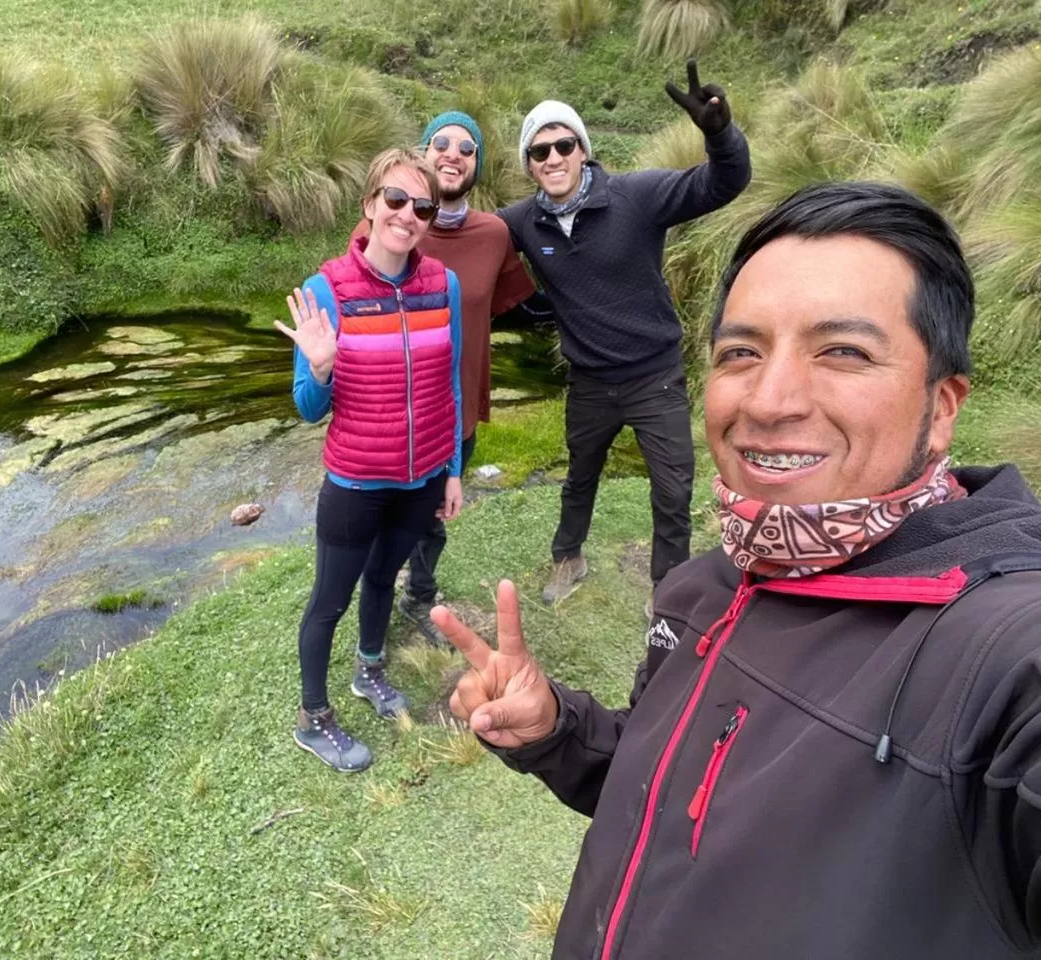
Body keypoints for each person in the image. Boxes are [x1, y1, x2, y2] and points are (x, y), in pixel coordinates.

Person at [434, 182, 1041, 957]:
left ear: (944, 403)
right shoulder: (702, 587)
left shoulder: (1025, 651)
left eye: (843, 352)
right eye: (741, 353)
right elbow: (661, 783)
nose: (770, 398)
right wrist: (556, 730)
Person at [499, 60, 751, 608]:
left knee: (672, 489)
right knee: (579, 477)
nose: (554, 158)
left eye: (564, 145)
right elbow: (468, 243)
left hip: (654, 377)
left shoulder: (637, 196)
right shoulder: (523, 222)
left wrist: (720, 134)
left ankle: (669, 591)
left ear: (582, 149)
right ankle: (569, 558)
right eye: (540, 152)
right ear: (529, 164)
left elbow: (722, 184)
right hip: (590, 384)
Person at [276, 147, 464, 774]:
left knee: (384, 580)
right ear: (369, 205)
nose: (407, 215)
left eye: (422, 206)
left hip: (421, 479)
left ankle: (370, 670)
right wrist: (322, 367)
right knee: (329, 600)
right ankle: (312, 718)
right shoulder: (324, 291)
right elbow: (307, 408)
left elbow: (452, 383)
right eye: (395, 199)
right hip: (355, 482)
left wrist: (453, 470)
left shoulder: (444, 285)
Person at [350, 112, 536, 646]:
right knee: (383, 516)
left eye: (467, 148)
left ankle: (420, 597)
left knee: (433, 515)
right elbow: (350, 298)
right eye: (441, 143)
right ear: (423, 155)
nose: (453, 153)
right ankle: (375, 606)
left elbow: (497, 305)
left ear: (477, 164)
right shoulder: (384, 222)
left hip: (457, 409)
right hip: (387, 409)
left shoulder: (494, 234)